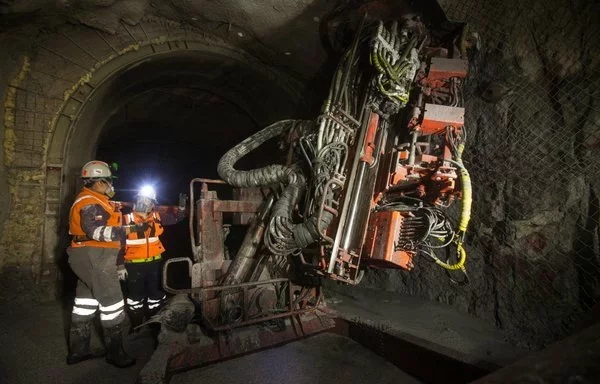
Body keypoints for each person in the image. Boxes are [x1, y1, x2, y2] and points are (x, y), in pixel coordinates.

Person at [66, 160, 143, 368]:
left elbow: (107, 222)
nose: (111, 185)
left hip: (86, 256)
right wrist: (129, 231)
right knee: (113, 303)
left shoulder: (96, 200)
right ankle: (115, 352)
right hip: (95, 256)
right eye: (108, 181)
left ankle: (79, 350)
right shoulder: (90, 202)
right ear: (98, 182)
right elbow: (96, 231)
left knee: (85, 302)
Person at [121, 185, 186, 331]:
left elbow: (177, 219)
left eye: (148, 200)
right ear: (135, 200)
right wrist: (119, 265)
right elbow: (117, 243)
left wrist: (182, 207)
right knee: (135, 297)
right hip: (133, 265)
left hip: (154, 264)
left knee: (155, 295)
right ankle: (136, 325)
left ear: (152, 204)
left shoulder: (157, 217)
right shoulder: (126, 219)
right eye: (141, 199)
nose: (144, 203)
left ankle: (154, 324)